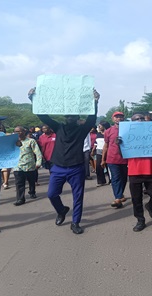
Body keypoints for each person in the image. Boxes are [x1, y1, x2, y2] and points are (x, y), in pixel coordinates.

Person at [30, 87, 100, 234]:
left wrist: (95, 101)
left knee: (78, 197)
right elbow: (44, 117)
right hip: (58, 167)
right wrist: (33, 98)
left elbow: (92, 118)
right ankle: (61, 210)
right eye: (68, 117)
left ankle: (75, 223)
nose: (70, 119)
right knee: (51, 194)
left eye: (73, 117)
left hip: (76, 168)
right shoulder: (58, 127)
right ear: (64, 118)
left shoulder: (82, 130)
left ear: (77, 118)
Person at [121, 113, 152, 232]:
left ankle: (150, 205)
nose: (139, 120)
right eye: (136, 119)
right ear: (131, 122)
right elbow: (122, 154)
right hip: (135, 171)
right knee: (136, 198)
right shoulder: (126, 135)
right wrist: (120, 144)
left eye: (141, 118)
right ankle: (140, 220)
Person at [101, 111, 129, 208]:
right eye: (116, 117)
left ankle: (120, 195)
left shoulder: (128, 130)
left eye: (121, 117)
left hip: (125, 159)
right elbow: (106, 145)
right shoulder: (108, 131)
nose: (119, 118)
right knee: (116, 178)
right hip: (112, 159)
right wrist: (103, 159)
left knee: (124, 178)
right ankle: (117, 198)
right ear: (113, 119)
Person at [12, 126, 42, 206]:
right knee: (19, 183)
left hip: (30, 165)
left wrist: (38, 162)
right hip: (18, 166)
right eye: (16, 131)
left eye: (19, 131)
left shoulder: (31, 141)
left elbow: (37, 152)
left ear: (24, 132)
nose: (18, 133)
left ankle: (32, 192)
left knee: (31, 181)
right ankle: (20, 199)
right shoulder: (13, 142)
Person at [92, 121, 110, 186]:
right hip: (99, 151)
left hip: (108, 151)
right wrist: (93, 150)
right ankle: (101, 181)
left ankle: (111, 180)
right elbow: (96, 143)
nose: (99, 127)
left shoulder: (108, 133)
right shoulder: (98, 134)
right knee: (98, 167)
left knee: (109, 167)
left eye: (100, 126)